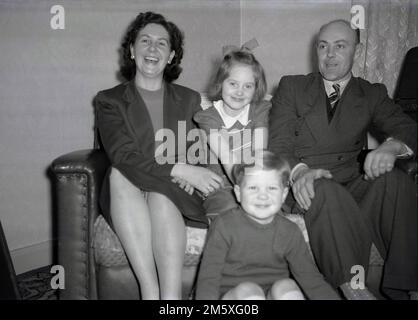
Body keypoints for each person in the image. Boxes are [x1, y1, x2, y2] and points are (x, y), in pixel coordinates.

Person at [268, 19, 417, 300]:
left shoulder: (371, 93)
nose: (330, 54)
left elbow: (410, 129)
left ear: (356, 52)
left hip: (351, 185)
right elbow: (278, 146)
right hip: (306, 185)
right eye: (323, 46)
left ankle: (409, 288)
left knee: (395, 181)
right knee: (321, 185)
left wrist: (392, 146)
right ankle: (355, 291)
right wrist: (300, 172)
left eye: (340, 46)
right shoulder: (292, 87)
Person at [95, 11, 223, 300]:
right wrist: (181, 169)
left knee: (161, 195)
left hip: (175, 193)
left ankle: (170, 300)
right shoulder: (109, 101)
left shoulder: (190, 99)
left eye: (162, 43)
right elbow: (123, 156)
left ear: (171, 56)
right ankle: (149, 291)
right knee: (118, 172)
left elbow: (199, 150)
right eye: (145, 41)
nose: (153, 49)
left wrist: (192, 169)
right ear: (131, 50)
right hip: (129, 191)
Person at [195, 151, 341, 300]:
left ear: (283, 195)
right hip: (230, 296)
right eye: (253, 188)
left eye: (271, 188)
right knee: (250, 291)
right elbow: (208, 279)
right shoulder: (224, 226)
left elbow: (311, 279)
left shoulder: (290, 231)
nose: (263, 195)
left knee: (288, 287)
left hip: (271, 293)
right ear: (238, 193)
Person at [193, 47, 271, 216]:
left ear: (256, 89)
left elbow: (259, 154)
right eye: (233, 84)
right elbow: (227, 158)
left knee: (269, 210)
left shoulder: (259, 111)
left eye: (248, 86)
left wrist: (256, 189)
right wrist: (245, 190)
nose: (240, 91)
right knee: (231, 210)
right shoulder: (208, 118)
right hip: (220, 186)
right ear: (221, 84)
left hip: (255, 180)